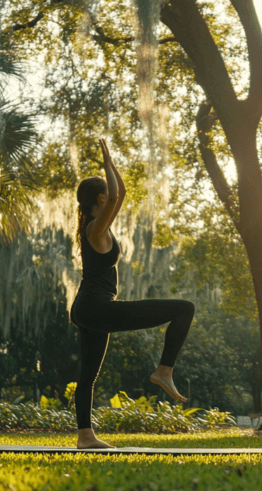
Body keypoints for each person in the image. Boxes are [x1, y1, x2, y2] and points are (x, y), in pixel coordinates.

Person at [69, 139, 196, 449]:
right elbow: (117, 195)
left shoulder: (97, 227)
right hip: (96, 307)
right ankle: (164, 370)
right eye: (106, 197)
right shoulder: (95, 229)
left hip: (90, 309)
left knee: (88, 373)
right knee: (184, 308)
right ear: (99, 198)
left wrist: (111, 167)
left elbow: (119, 194)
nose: (111, 200)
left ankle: (85, 437)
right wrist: (108, 163)